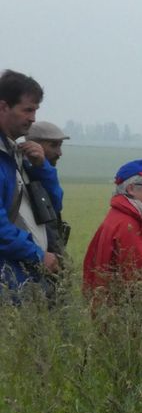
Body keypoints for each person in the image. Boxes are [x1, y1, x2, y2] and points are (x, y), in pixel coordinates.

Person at [0, 70, 62, 299]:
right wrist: (37, 254)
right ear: (4, 107)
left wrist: (43, 168)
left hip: (22, 278)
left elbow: (53, 208)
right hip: (9, 278)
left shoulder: (16, 152)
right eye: (28, 109)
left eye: (35, 110)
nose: (33, 118)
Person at [82, 159, 142, 309]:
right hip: (132, 322)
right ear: (131, 189)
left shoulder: (118, 218)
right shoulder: (128, 226)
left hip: (114, 316)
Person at [25, 120, 71, 253]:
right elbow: (55, 202)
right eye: (54, 145)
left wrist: (43, 167)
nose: (59, 152)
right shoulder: (20, 172)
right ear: (33, 145)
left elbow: (55, 205)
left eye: (60, 146)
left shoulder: (42, 171)